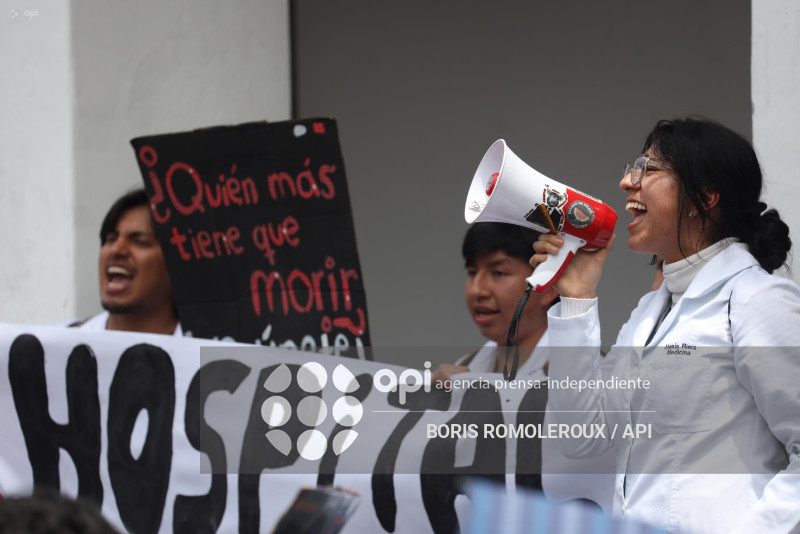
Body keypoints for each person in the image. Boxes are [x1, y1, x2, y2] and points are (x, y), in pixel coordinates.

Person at [532, 117, 800, 533]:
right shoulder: (650, 313)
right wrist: (577, 299)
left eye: (649, 170)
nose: (626, 182)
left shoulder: (756, 300)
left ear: (705, 197)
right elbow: (582, 439)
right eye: (632, 167)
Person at [432, 222, 614, 513]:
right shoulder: (463, 368)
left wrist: (480, 396)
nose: (478, 289)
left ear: (548, 285)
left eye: (499, 273)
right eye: (471, 272)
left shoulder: (589, 374)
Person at [73, 188, 181, 335]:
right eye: (111, 239)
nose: (116, 250)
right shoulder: (53, 348)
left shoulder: (215, 352)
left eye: (141, 242)